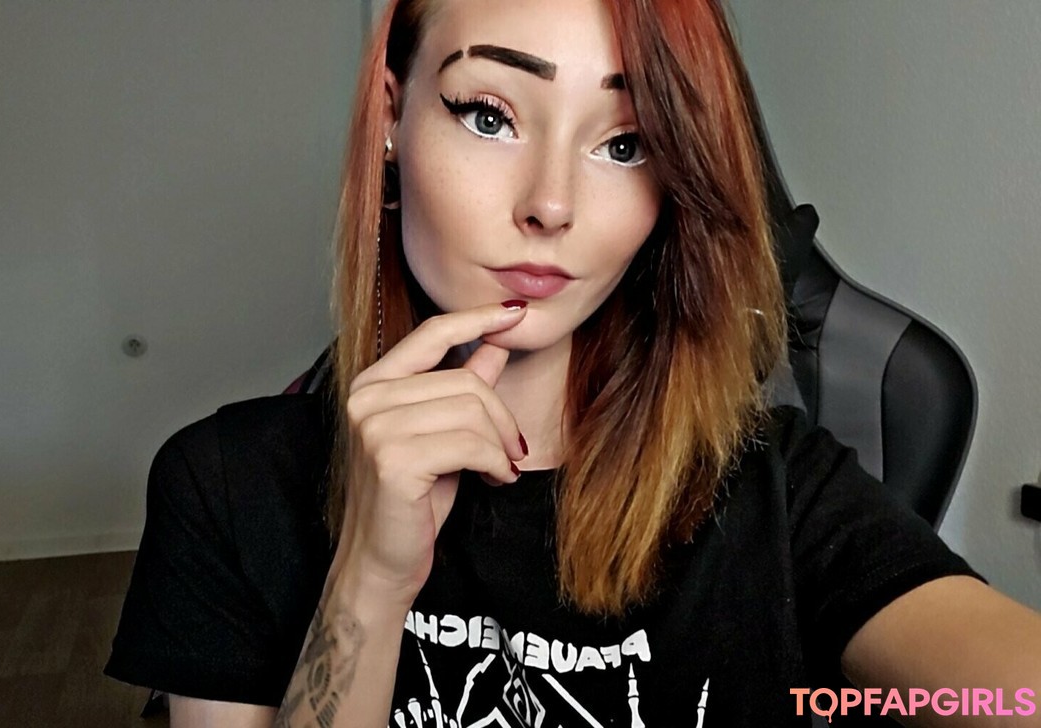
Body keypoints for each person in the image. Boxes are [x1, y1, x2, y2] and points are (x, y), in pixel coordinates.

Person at [105, 0, 1041, 725]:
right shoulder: (224, 485)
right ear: (391, 116)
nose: (551, 204)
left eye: (624, 143)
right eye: (489, 115)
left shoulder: (777, 486)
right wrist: (369, 583)